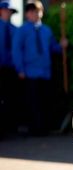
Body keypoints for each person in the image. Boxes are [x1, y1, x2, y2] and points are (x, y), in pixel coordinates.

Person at [12, 0, 67, 136]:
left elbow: (53, 48)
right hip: (30, 72)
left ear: (41, 13)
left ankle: (44, 128)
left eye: (38, 11)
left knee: (45, 100)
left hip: (45, 72)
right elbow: (16, 50)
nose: (35, 14)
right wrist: (20, 69)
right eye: (32, 12)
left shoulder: (46, 30)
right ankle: (34, 129)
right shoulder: (22, 30)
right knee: (32, 102)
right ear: (27, 14)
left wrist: (62, 45)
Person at [0, 0, 18, 137]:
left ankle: (9, 129)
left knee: (10, 98)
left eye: (10, 11)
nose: (8, 13)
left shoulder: (15, 29)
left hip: (11, 69)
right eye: (5, 10)